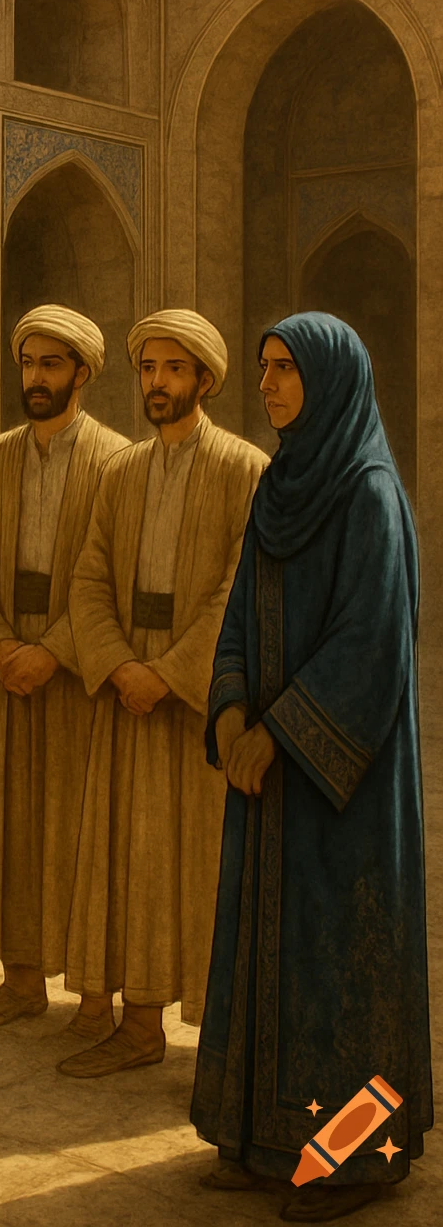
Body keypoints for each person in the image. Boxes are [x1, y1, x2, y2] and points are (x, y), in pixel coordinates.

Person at [191, 312, 433, 1224]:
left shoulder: (367, 493)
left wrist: (276, 735)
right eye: (264, 368)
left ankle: (352, 1159)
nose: (271, 384)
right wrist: (231, 706)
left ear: (330, 381)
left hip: (343, 798)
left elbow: (370, 645)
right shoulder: (281, 484)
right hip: (269, 779)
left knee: (342, 975)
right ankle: (267, 1143)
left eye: (287, 370)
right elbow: (243, 612)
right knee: (267, 959)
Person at [58, 310, 267, 1078]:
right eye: (148, 369)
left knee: (201, 869)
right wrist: (116, 665)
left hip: (196, 704)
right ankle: (138, 1024)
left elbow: (236, 592)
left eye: (173, 370)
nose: (157, 383)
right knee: (129, 860)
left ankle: (222, 1042)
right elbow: (88, 578)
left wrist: (170, 674)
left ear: (204, 381)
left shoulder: (247, 470)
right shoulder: (121, 472)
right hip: (125, 694)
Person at [0, 306, 129, 1032]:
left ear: (82, 373)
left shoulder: (118, 461)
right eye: (28, 364)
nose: (37, 378)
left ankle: (94, 996)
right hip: (6, 672)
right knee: (9, 828)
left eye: (52, 365)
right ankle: (21, 983)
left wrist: (54, 650)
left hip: (77, 677)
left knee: (83, 833)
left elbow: (110, 577)